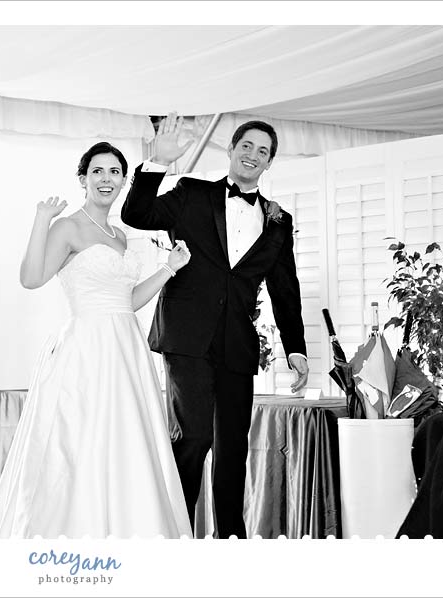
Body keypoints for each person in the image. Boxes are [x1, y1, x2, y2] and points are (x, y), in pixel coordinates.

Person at [0, 142, 193, 539]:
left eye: (114, 172)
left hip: (126, 348)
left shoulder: (121, 235)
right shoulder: (68, 226)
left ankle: (129, 527)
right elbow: (31, 278)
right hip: (88, 347)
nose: (106, 179)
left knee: (127, 439)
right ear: (83, 179)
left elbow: (126, 302)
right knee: (83, 439)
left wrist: (168, 268)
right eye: (98, 171)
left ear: (124, 180)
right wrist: (41, 219)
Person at [120, 114, 309, 539]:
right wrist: (157, 163)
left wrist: (295, 348)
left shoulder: (279, 221)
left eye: (263, 151)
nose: (253, 155)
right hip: (186, 335)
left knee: (232, 450)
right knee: (194, 436)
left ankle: (230, 540)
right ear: (232, 149)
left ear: (269, 163)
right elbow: (137, 213)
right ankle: (177, 532)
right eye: (247, 146)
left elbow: (285, 287)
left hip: (237, 344)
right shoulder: (192, 193)